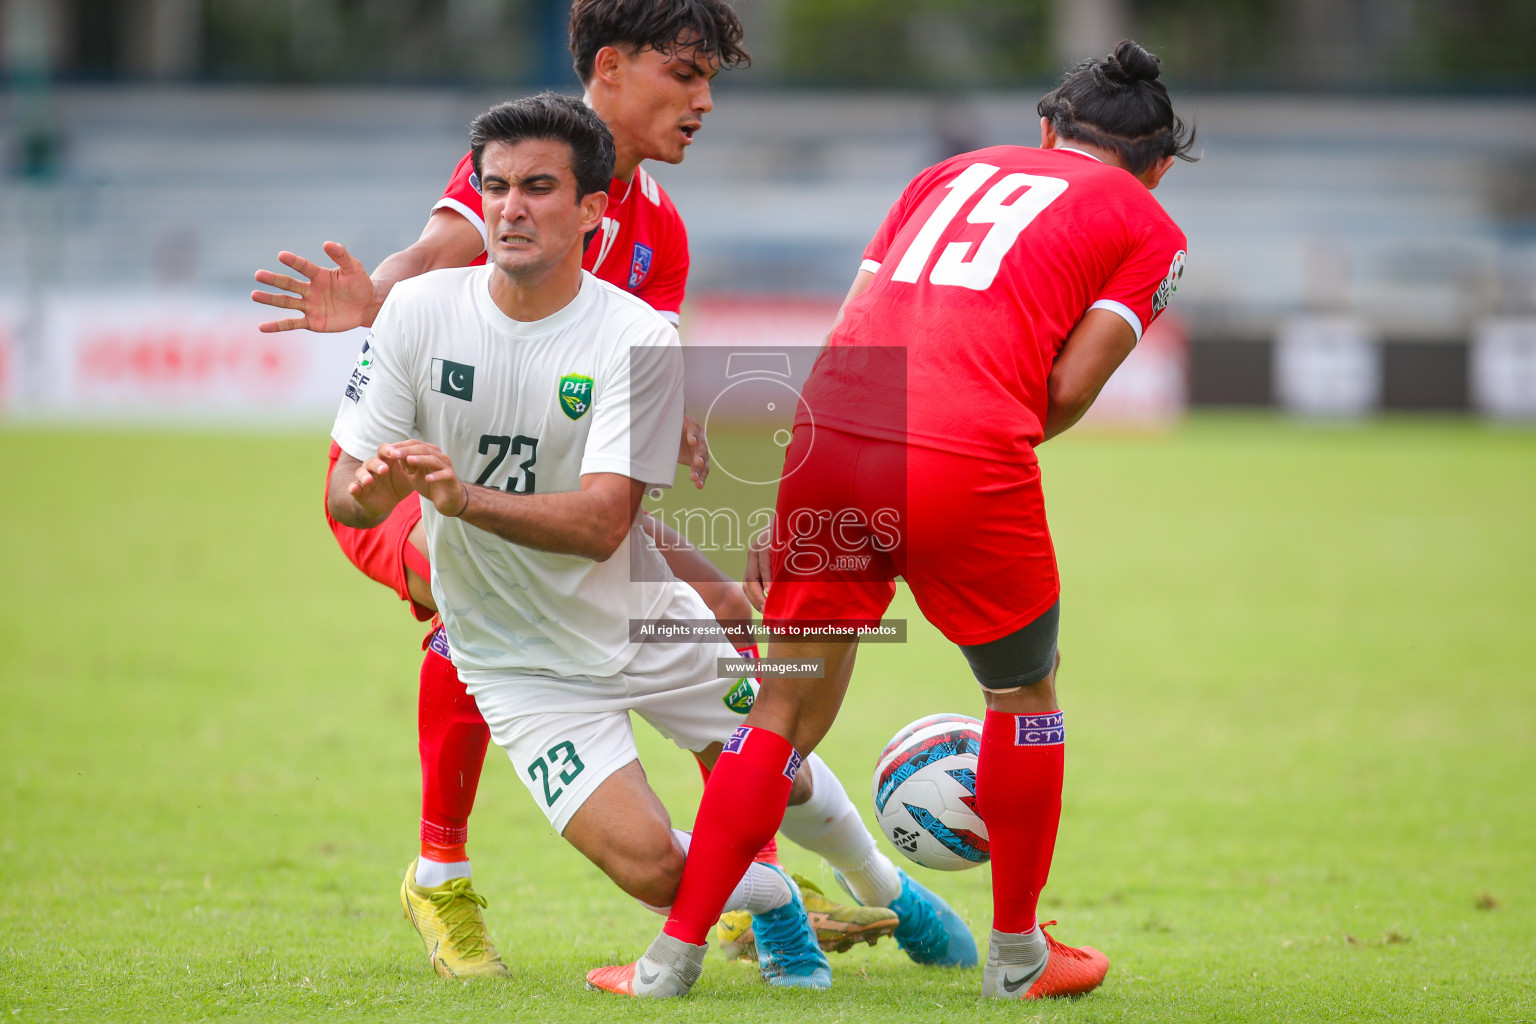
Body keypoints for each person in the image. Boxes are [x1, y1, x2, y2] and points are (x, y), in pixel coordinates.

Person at [253, 0, 911, 975]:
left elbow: (628, 380)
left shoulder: (661, 238)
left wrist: (660, 416)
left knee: (719, 610)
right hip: (405, 490)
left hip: (554, 497)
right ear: (611, 67)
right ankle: (442, 876)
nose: (705, 101)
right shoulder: (535, 163)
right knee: (469, 581)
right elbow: (431, 258)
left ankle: (748, 875)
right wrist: (374, 296)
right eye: (686, 75)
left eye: (713, 81)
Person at [589, 40, 1195, 1000]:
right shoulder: (1150, 223)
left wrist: (797, 495)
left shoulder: (942, 175)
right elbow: (1071, 389)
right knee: (1025, 698)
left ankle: (668, 963)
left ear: (1046, 129)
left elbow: (853, 326)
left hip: (828, 436)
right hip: (964, 453)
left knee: (782, 712)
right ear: (1160, 166)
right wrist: (969, 437)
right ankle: (1020, 958)